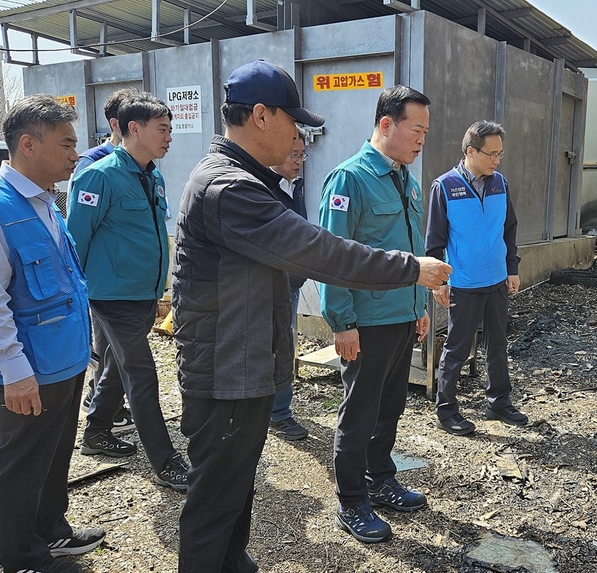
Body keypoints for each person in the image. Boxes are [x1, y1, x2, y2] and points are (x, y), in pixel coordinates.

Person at [173, 60, 450, 573]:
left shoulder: (249, 182)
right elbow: (322, 252)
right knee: (214, 499)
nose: (299, 136)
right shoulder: (230, 188)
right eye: (293, 121)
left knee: (234, 488)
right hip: (227, 371)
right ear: (261, 116)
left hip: (244, 364)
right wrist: (412, 269)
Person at [0, 94, 105, 573]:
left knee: (54, 453)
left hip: (64, 356)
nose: (75, 154)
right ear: (28, 144)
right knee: (22, 460)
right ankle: (21, 557)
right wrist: (13, 370)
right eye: (66, 144)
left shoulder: (44, 200)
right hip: (30, 366)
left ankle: (50, 530)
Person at [318, 85, 432, 544]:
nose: (421, 139)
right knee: (360, 413)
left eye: (426, 131)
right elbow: (331, 257)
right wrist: (342, 323)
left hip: (402, 317)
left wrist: (419, 307)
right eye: (416, 129)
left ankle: (380, 478)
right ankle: (351, 500)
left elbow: (412, 250)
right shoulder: (349, 179)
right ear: (386, 124)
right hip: (365, 323)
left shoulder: (406, 179)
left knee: (390, 407)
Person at [66, 92, 189, 491]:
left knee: (118, 365)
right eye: (162, 129)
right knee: (142, 373)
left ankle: (96, 431)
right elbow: (76, 241)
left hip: (142, 294)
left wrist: (157, 291)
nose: (169, 137)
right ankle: (165, 461)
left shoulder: (152, 176)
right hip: (110, 296)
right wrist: (80, 296)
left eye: (170, 129)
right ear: (134, 128)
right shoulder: (98, 176)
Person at [426, 120, 528, 436]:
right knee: (457, 347)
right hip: (464, 284)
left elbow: (509, 228)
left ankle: (499, 402)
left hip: (497, 280)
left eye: (500, 154)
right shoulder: (445, 187)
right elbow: (434, 241)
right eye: (491, 154)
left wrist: (512, 268)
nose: (497, 160)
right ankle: (446, 410)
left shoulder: (500, 184)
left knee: (497, 343)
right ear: (471, 151)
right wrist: (439, 282)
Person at [74, 88, 137, 430]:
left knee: (119, 350)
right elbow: (81, 229)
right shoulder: (94, 163)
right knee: (106, 345)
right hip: (106, 279)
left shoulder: (140, 165)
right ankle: (103, 407)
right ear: (117, 124)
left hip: (131, 279)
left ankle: (107, 403)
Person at [267, 128, 309, 441]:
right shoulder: (265, 189)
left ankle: (277, 409)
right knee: (277, 346)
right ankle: (277, 413)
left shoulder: (295, 188)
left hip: (291, 283)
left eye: (302, 156)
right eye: (293, 155)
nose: (298, 161)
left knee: (286, 343)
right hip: (270, 285)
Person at [72, 88, 137, 176]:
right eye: (133, 125)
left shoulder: (142, 161)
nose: (138, 130)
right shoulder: (90, 161)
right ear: (115, 124)